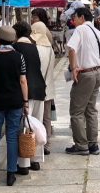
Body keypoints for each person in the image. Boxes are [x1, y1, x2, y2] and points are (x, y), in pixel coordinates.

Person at [0, 26, 27, 187]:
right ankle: (10, 174)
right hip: (15, 101)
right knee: (12, 136)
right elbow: (23, 81)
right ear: (13, 40)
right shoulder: (19, 57)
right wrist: (25, 102)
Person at [66, 7, 100, 155]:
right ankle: (93, 143)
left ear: (82, 17)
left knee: (77, 111)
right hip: (96, 72)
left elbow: (71, 48)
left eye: (75, 17)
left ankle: (81, 144)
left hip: (86, 74)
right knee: (91, 109)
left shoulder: (81, 29)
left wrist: (73, 67)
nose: (73, 21)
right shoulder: (98, 32)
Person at [12, 21, 46, 174]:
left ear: (16, 33)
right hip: (39, 87)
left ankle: (24, 163)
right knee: (36, 126)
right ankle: (36, 159)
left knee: (24, 126)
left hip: (24, 91)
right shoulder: (34, 47)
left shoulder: (16, 48)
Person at [30, 22, 56, 156]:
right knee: (46, 118)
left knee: (36, 118)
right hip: (49, 87)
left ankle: (37, 144)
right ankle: (47, 144)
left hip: (38, 88)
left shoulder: (36, 49)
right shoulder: (50, 48)